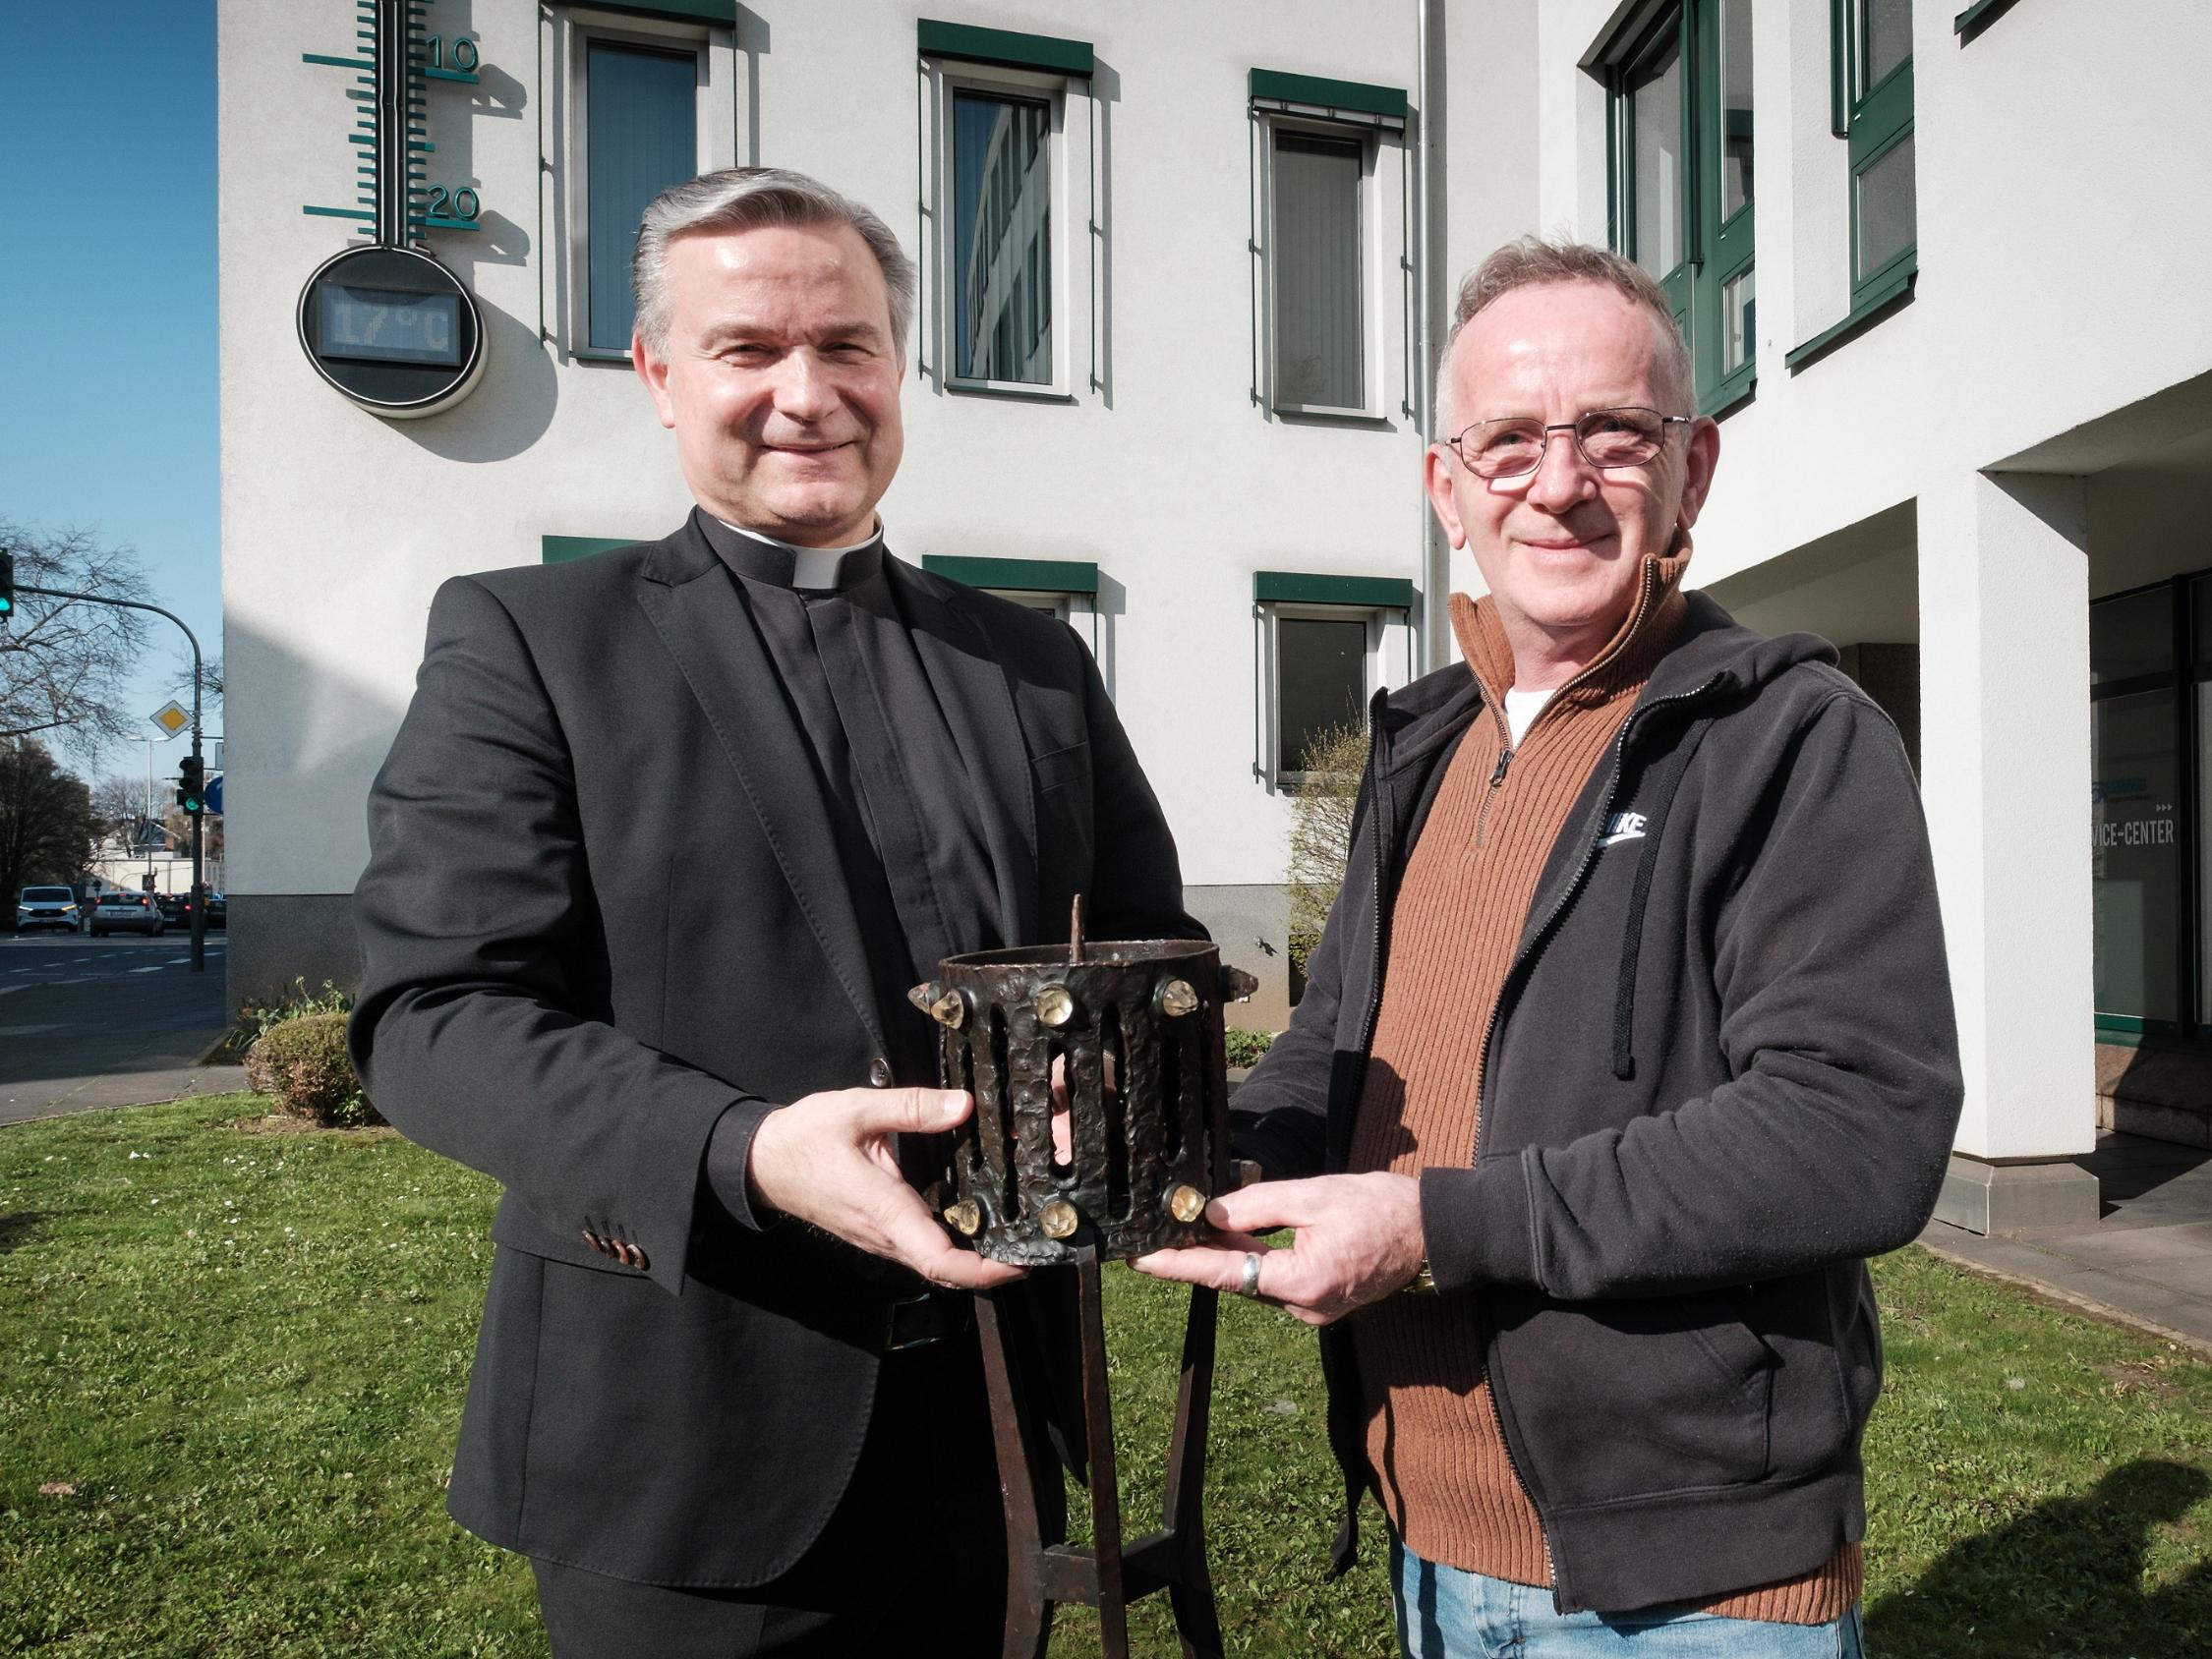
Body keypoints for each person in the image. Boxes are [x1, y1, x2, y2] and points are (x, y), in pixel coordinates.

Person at [350, 167, 1198, 1657]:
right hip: (688, 1429)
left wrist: (1110, 1072)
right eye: (748, 350)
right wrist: (739, 1150)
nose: (807, 394)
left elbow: (1146, 954)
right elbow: (433, 1016)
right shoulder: (530, 642)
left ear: (897, 368)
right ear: (663, 380)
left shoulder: (1034, 665)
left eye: (848, 346)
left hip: (991, 1426)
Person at [1135, 239, 1963, 1656]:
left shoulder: (1790, 738)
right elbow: (1339, 1050)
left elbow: (1855, 1128)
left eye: (1611, 434)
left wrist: (1436, 1230)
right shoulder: (1416, 751)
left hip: (1692, 1589)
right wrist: (1190, 1150)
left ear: (1691, 469)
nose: (1559, 481)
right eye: (1506, 438)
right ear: (1445, 487)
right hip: (1426, 1543)